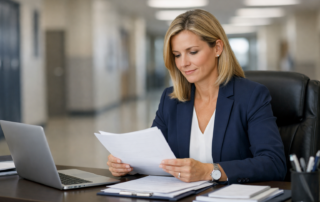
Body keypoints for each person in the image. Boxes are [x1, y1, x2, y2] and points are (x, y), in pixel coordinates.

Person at [107, 9, 287, 184]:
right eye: (177, 55)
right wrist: (128, 165)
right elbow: (153, 157)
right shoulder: (170, 100)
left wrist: (210, 171)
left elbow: (274, 163)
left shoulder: (251, 96)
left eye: (192, 52)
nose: (183, 63)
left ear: (217, 47)